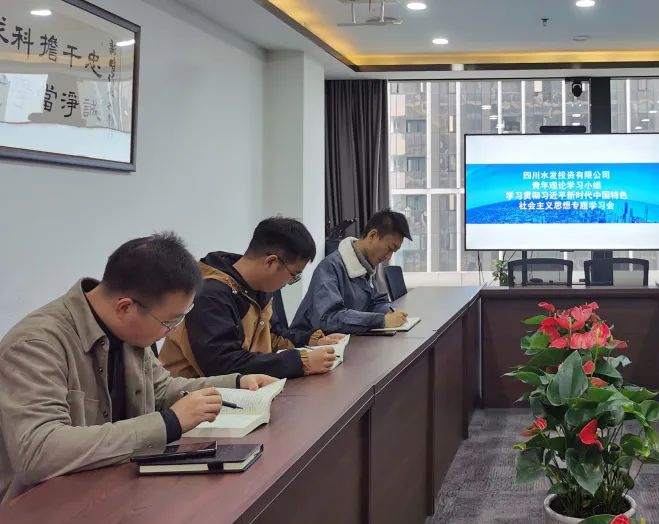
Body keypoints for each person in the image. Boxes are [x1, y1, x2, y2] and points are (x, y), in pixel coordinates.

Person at [0, 233, 277, 502]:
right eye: (169, 322)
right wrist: (168, 423)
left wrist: (237, 383)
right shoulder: (36, 344)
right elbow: (38, 451)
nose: (171, 332)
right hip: (43, 510)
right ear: (125, 308)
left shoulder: (129, 331)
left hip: (113, 491)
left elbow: (162, 390)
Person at [159, 217, 345, 380]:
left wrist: (312, 341)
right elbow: (223, 365)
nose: (290, 282)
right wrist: (300, 362)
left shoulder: (258, 288)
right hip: (193, 399)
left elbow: (273, 337)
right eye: (294, 275)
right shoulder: (210, 294)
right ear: (271, 262)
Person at [291, 209, 412, 337]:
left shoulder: (367, 264)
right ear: (372, 236)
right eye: (389, 248)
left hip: (348, 340)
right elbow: (329, 318)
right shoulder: (330, 267)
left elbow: (375, 302)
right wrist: (381, 320)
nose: (388, 257)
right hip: (311, 343)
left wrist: (390, 312)